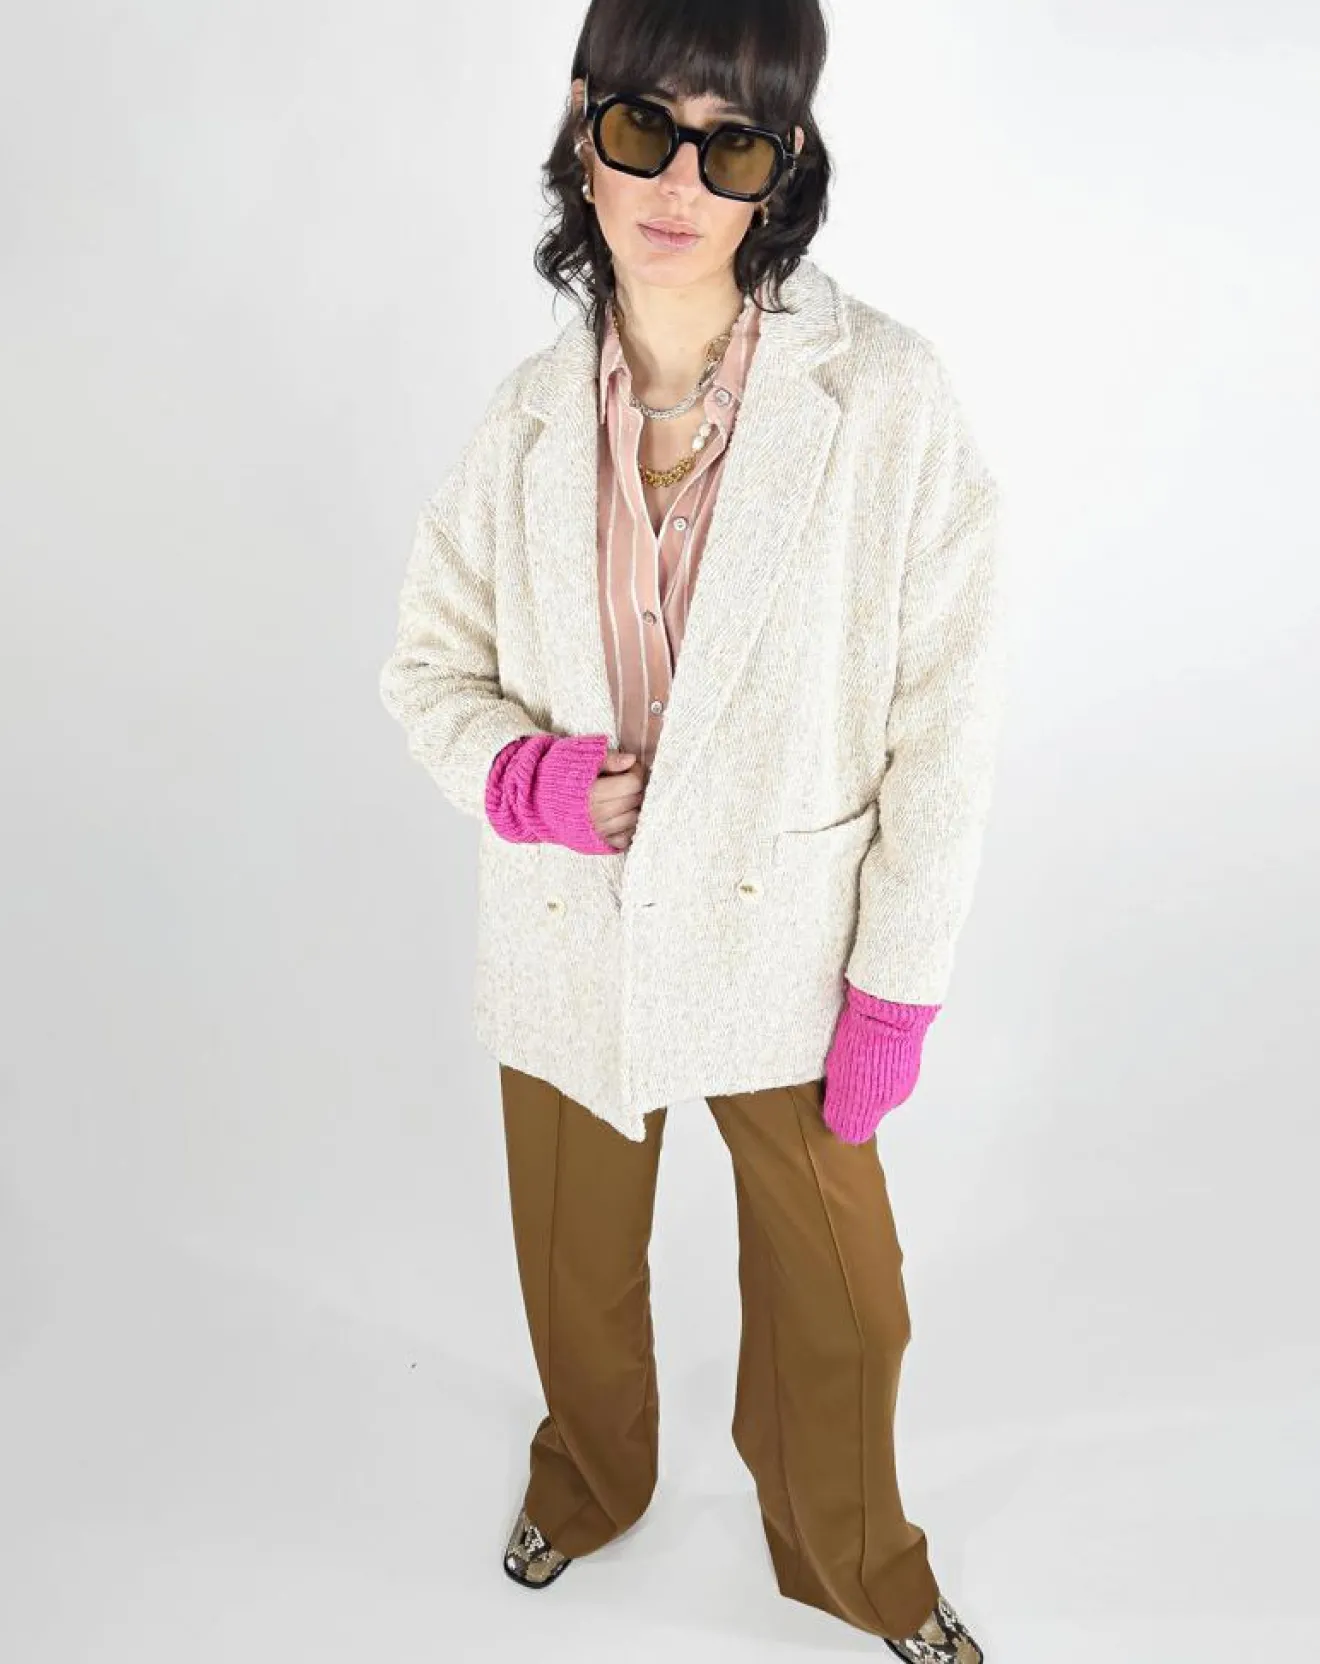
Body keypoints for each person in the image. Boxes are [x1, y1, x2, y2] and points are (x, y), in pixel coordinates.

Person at [378, 2, 1007, 1658]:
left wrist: (896, 987)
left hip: (784, 937)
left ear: (780, 173)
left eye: (731, 146)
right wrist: (524, 781)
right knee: (574, 1265)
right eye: (645, 128)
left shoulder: (886, 399)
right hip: (566, 931)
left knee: (848, 1307)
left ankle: (862, 1564)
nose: (678, 183)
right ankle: (589, 1478)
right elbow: (425, 668)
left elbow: (947, 724)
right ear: (585, 131)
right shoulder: (523, 419)